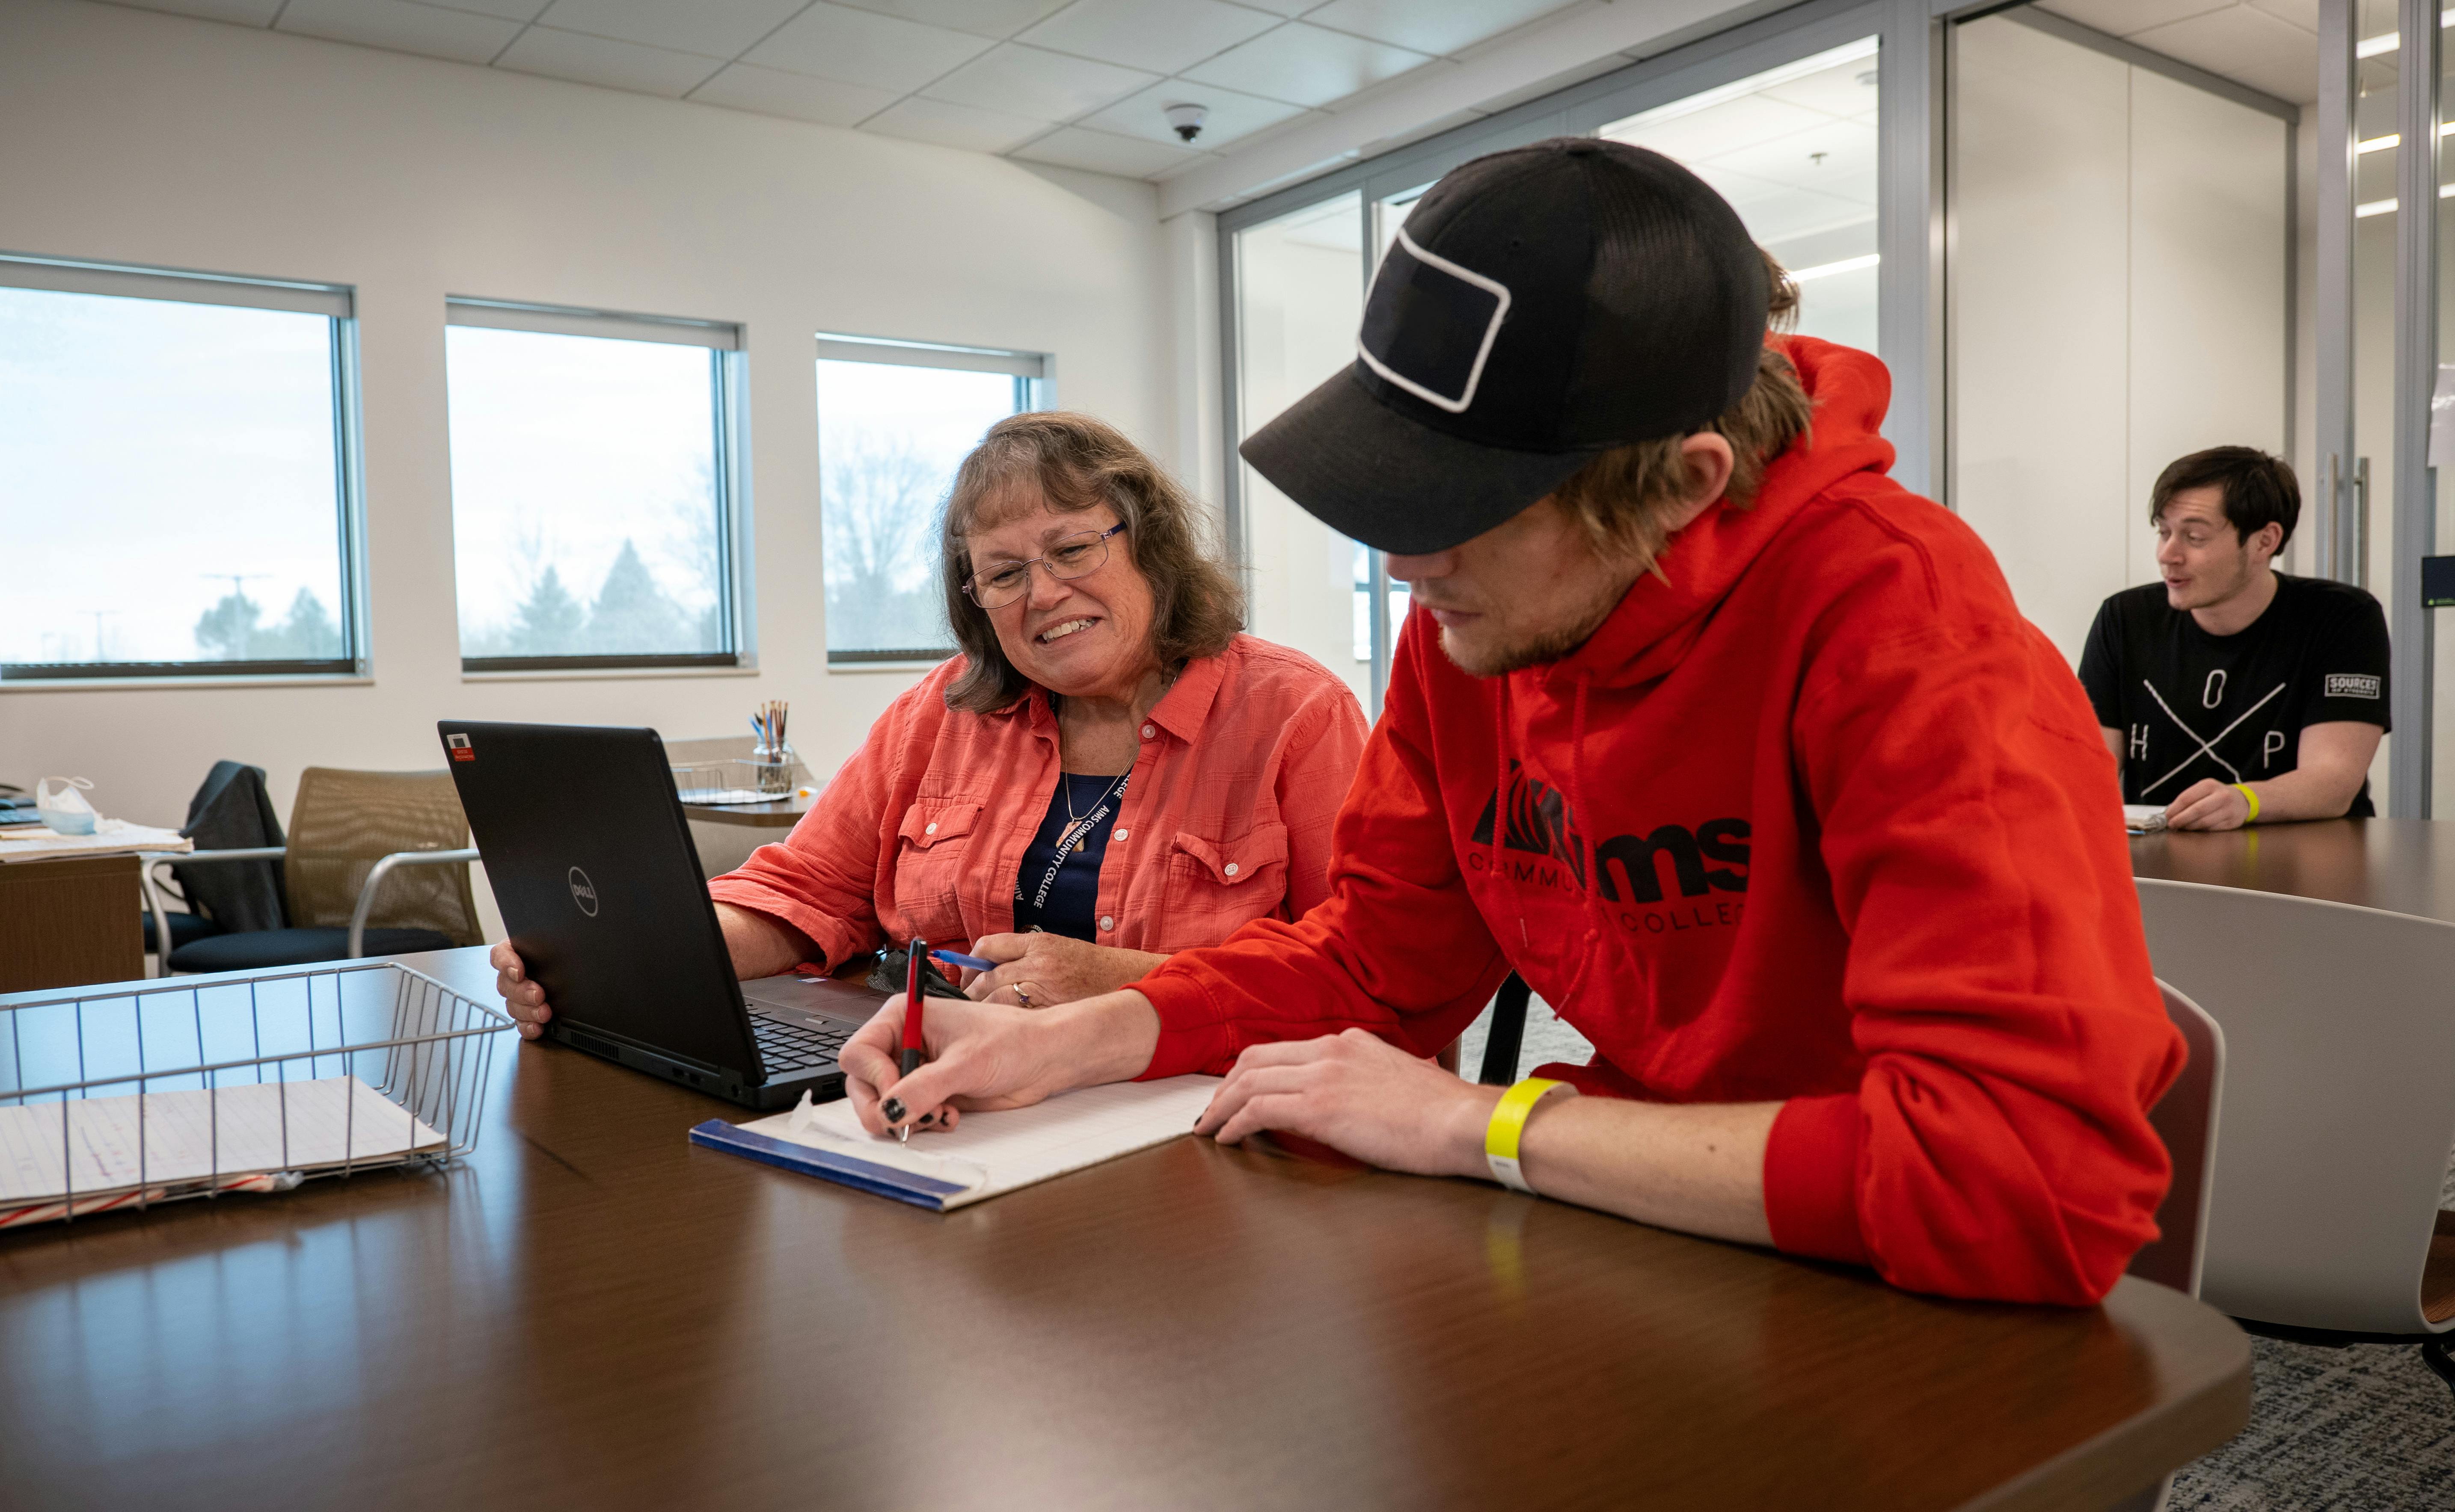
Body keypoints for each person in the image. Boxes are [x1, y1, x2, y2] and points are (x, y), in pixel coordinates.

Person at [835, 138, 2184, 1308]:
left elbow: (2030, 1185)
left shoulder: (1910, 643)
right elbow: (1379, 958)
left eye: (1446, 510)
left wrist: (1485, 1120)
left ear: (1677, 487)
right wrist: (1069, 1039)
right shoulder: (1472, 632)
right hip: (1637, 1237)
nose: (1394, 563)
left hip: (1893, 1292)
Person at [490, 411, 1369, 1038]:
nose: (1045, 593)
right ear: (976, 600)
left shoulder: (1295, 715)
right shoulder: (938, 713)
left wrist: (1132, 986)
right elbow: (808, 893)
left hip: (1192, 1110)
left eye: (1071, 550)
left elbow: (1367, 982)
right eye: (1003, 573)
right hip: (948, 1089)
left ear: (1151, 546)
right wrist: (620, 963)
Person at [2077, 447, 2389, 830]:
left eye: (2194, 537)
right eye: (2164, 532)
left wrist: (2246, 800)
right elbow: (2087, 766)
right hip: (2157, 860)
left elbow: (2334, 781)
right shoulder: (2124, 618)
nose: (2167, 554)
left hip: (2301, 863)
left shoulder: (2341, 618)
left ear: (2264, 541)